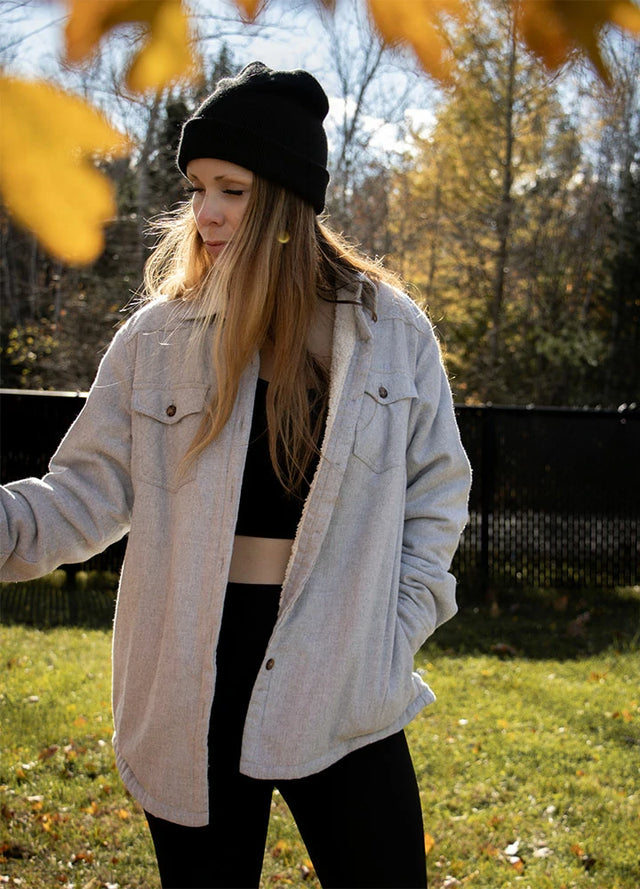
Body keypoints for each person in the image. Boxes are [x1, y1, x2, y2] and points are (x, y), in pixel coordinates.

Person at [0, 62, 471, 888]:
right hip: (190, 677)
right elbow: (79, 495)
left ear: (287, 200)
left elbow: (436, 494)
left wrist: (391, 635)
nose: (205, 212)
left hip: (343, 671)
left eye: (232, 190)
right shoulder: (156, 339)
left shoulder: (389, 332)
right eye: (197, 189)